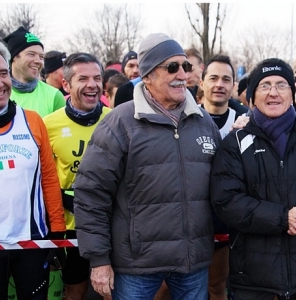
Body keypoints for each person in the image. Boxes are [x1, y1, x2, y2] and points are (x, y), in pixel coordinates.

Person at [73, 33, 221, 300]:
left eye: (185, 66)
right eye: (172, 67)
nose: (182, 74)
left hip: (192, 262)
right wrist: (99, 260)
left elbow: (224, 183)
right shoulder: (119, 123)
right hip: (136, 265)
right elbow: (91, 194)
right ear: (148, 75)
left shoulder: (204, 122)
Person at [210, 57, 296, 300]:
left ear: (292, 93)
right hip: (251, 280)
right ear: (251, 97)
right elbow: (227, 201)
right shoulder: (235, 143)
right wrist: (284, 218)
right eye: (265, 85)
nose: (273, 92)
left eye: (281, 84)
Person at [0, 36, 65, 300]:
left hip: (31, 240)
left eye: (3, 73)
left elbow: (49, 179)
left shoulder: (32, 121)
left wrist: (58, 231)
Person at [43, 53, 111, 300]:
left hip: (109, 225)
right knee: (75, 292)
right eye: (83, 78)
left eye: (97, 78)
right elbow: (43, 180)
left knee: (112, 290)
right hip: (71, 228)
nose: (92, 84)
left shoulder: (115, 120)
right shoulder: (48, 124)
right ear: (66, 85)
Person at [198, 54, 243, 299]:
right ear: (202, 83)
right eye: (213, 78)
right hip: (189, 221)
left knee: (216, 286)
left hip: (224, 221)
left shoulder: (245, 121)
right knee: (167, 289)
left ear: (233, 85)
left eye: (226, 79)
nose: (219, 84)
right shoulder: (186, 118)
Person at [2, 26, 66, 117]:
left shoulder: (54, 96)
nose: (38, 61)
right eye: (31, 54)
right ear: (14, 57)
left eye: (41, 57)